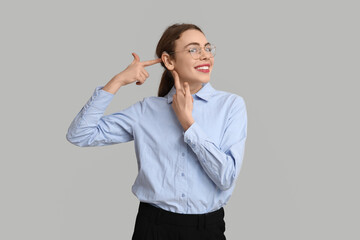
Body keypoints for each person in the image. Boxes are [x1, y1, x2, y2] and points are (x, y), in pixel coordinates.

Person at [66, 23, 247, 240]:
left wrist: (188, 123)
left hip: (206, 229)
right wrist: (118, 81)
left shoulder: (231, 106)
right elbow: (79, 134)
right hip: (153, 228)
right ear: (169, 61)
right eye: (193, 49)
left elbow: (226, 178)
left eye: (207, 48)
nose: (205, 55)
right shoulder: (146, 110)